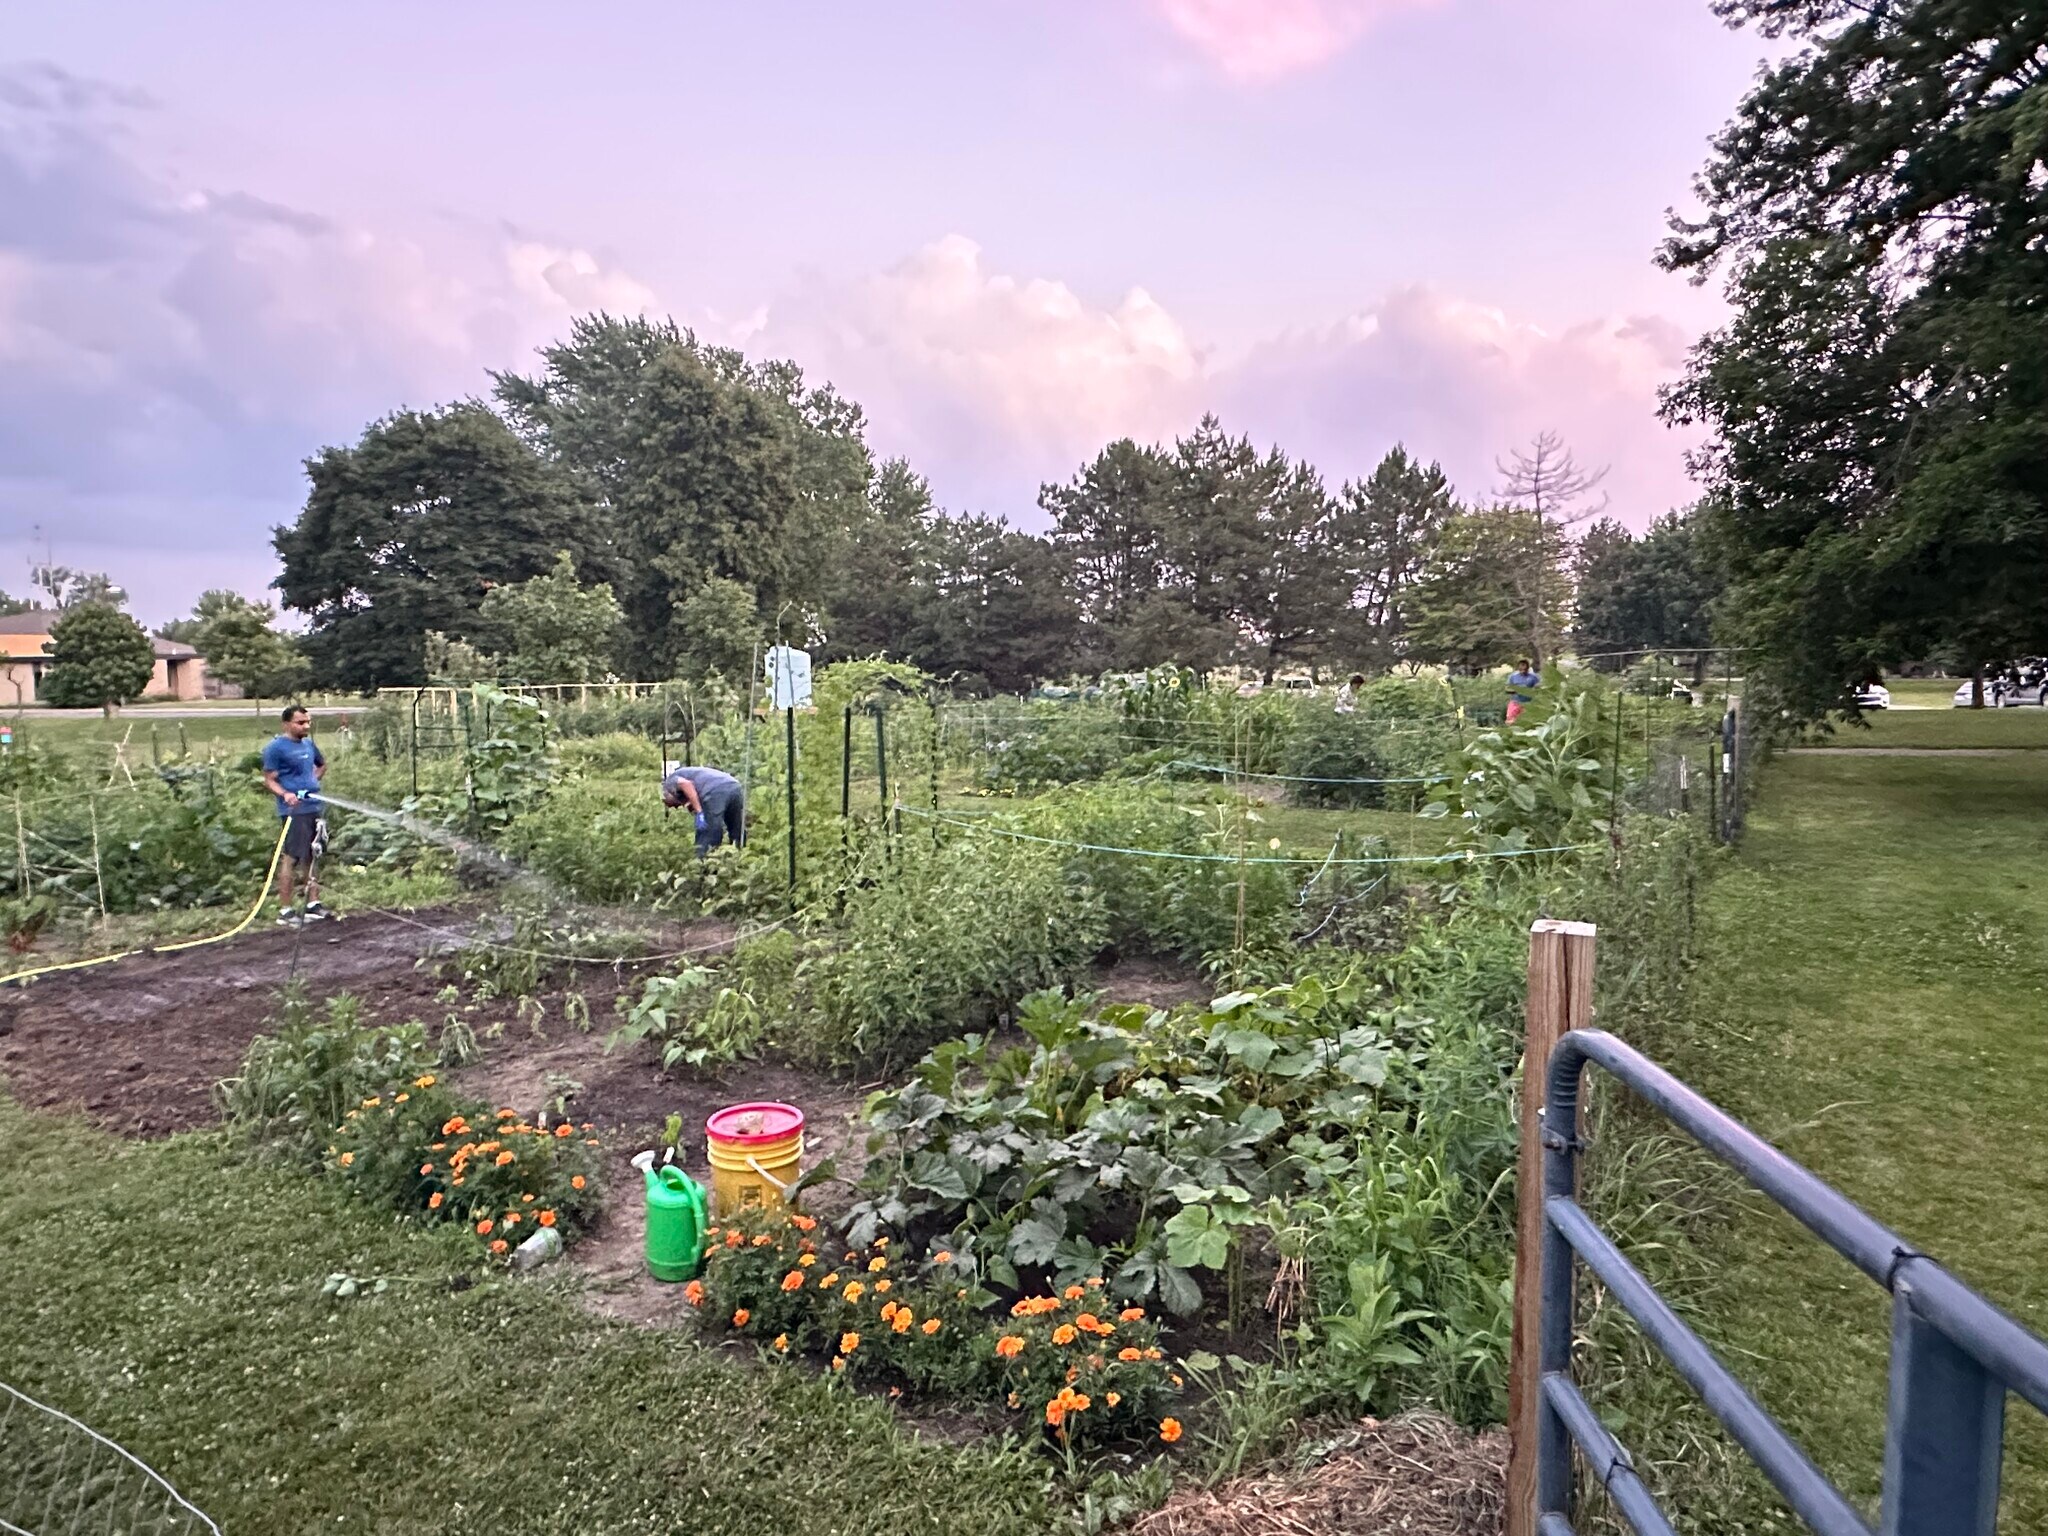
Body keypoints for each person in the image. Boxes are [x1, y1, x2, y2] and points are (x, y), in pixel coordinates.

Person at [261, 704, 328, 926]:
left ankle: (313, 904)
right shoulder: (276, 748)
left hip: (313, 808)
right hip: (293, 812)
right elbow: (269, 780)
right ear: (287, 724)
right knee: (290, 857)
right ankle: (286, 910)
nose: (306, 726)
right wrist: (286, 794)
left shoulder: (309, 744)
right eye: (300, 723)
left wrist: (311, 782)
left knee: (312, 854)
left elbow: (321, 765)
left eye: (308, 722)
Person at [662, 764, 747, 858]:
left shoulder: (669, 782)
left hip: (715, 790)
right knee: (736, 827)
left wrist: (699, 812)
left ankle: (703, 863)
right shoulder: (689, 774)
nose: (677, 807)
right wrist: (693, 805)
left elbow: (686, 784)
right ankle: (740, 855)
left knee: (708, 830)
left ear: (667, 794)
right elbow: (690, 793)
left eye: (673, 805)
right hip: (734, 785)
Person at [1506, 659, 1541, 724]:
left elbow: (1538, 688)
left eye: (1525, 669)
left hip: (1528, 703)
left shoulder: (1533, 677)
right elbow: (1507, 689)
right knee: (1510, 721)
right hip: (1515, 702)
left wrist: (1532, 690)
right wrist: (1518, 690)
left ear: (1528, 668)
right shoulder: (1513, 676)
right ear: (1518, 668)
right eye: (1521, 668)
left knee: (1527, 722)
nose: (1523, 670)